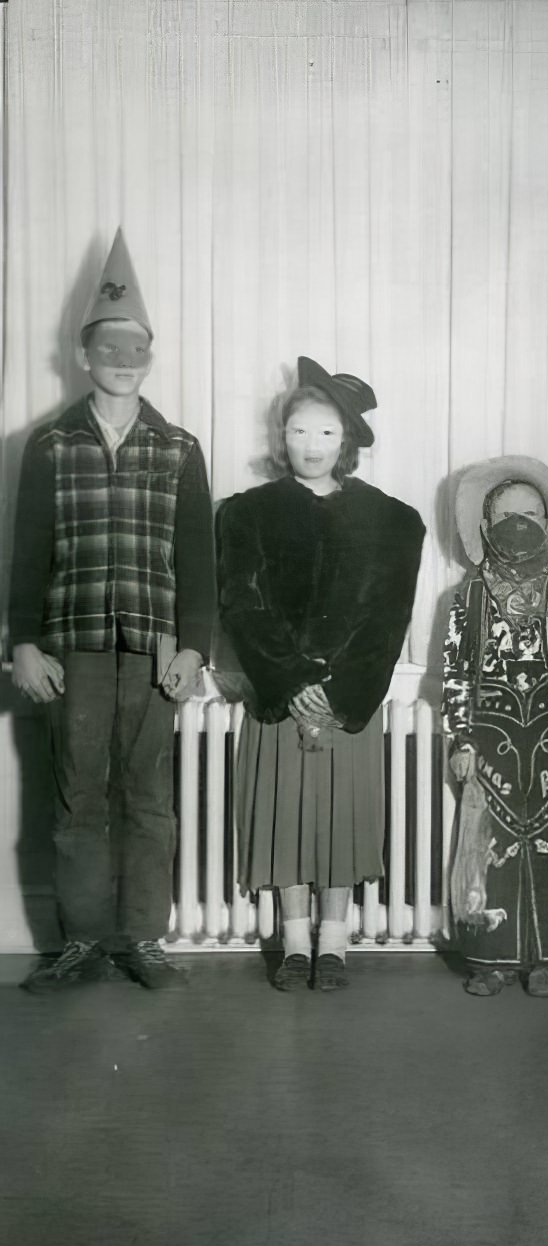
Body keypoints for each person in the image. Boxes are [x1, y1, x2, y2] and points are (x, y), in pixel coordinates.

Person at [9, 228, 216, 992]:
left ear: (150, 359)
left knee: (149, 798)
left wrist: (195, 646)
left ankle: (142, 939)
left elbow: (199, 562)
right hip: (76, 646)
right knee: (76, 798)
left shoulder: (180, 449)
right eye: (109, 351)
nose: (123, 365)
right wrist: (23, 643)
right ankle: (83, 941)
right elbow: (27, 554)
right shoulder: (48, 446)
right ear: (83, 356)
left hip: (156, 649)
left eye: (137, 353)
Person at [216, 356, 425, 991]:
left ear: (349, 442)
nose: (312, 446)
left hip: (348, 702)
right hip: (280, 699)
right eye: (300, 431)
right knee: (287, 820)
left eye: (327, 433)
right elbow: (242, 605)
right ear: (282, 436)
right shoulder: (246, 513)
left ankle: (335, 946)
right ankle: (296, 944)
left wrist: (340, 692)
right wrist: (291, 680)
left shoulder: (394, 522)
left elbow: (388, 620)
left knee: (340, 822)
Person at [442, 457, 548, 997]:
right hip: (491, 738)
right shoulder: (467, 597)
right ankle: (491, 959)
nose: (520, 523)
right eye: (508, 514)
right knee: (489, 843)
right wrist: (461, 738)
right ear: (484, 527)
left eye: (531, 514)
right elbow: (455, 672)